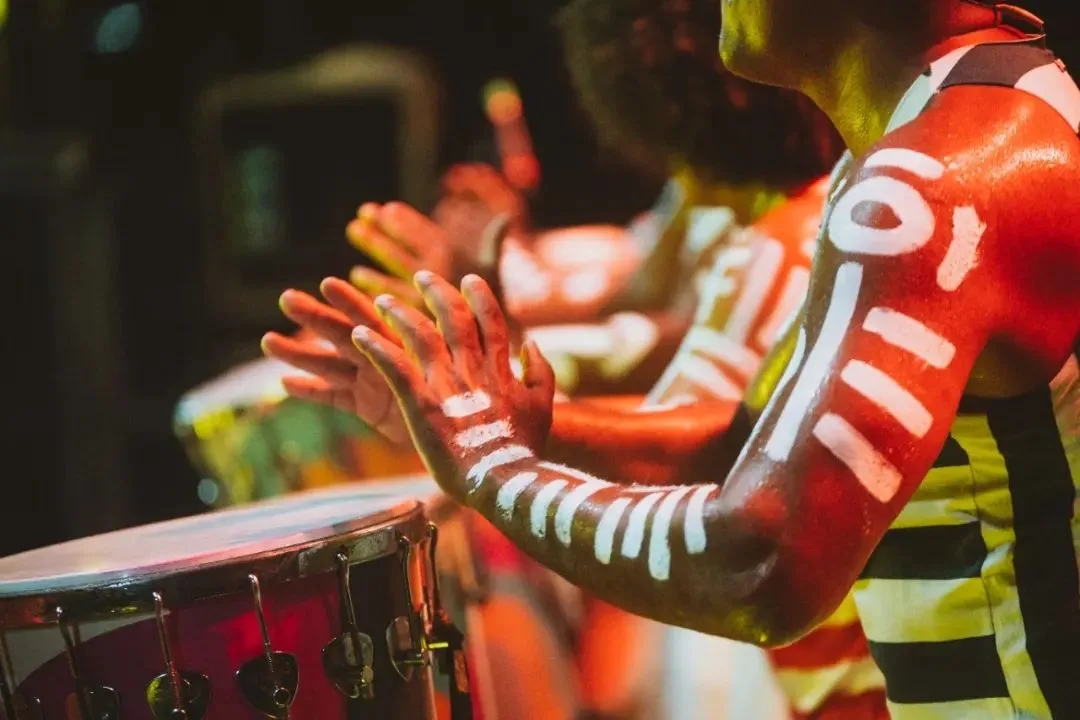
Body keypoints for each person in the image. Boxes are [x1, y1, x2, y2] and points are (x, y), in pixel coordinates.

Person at [278, 1, 1080, 717]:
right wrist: (526, 426)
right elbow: (755, 443)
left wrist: (488, 466)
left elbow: (763, 559)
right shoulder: (924, 148)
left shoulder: (939, 181)